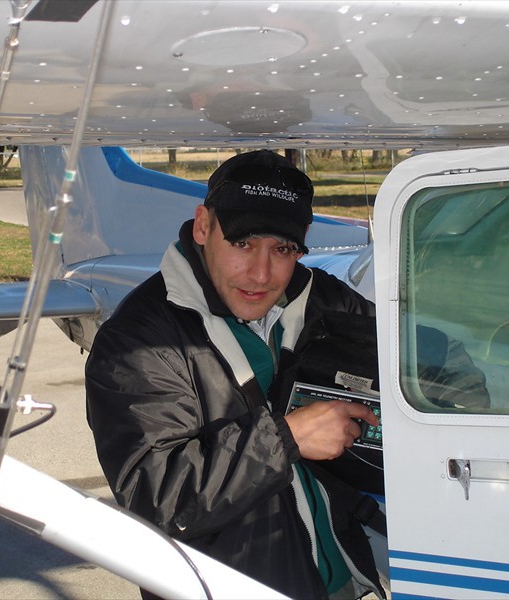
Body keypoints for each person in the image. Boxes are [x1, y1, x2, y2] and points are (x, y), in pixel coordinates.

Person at [85, 150, 386, 599]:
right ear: (204, 226)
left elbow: (411, 359)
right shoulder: (137, 341)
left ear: (302, 240)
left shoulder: (319, 297)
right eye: (242, 243)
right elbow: (155, 495)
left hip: (340, 579)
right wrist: (286, 439)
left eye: (282, 249)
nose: (261, 273)